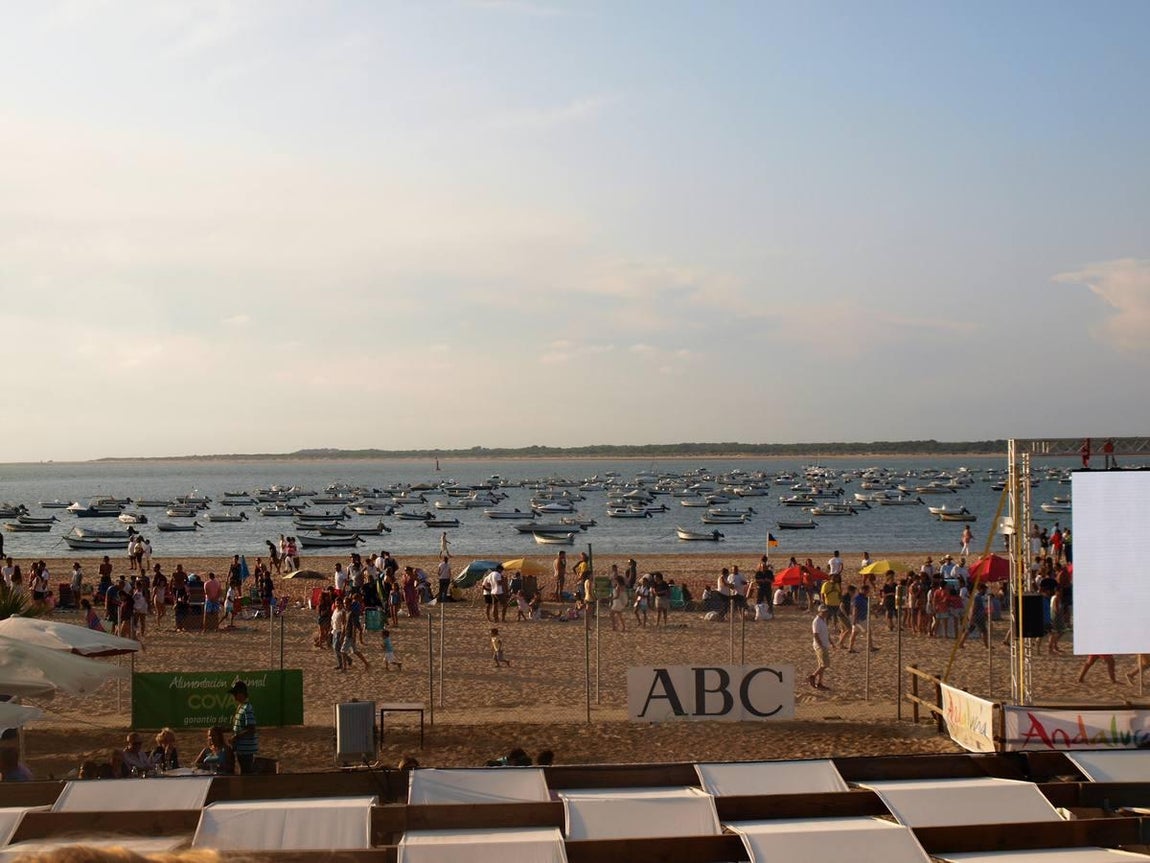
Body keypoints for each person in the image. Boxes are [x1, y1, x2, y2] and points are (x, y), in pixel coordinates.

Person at [228, 680, 259, 775]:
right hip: (241, 748)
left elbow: (251, 729)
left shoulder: (247, 708)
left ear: (241, 693)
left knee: (246, 773)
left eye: (235, 693)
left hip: (246, 749)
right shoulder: (241, 707)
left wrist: (236, 737)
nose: (234, 696)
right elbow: (240, 727)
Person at [809, 604, 831, 690]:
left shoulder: (823, 620)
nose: (826, 613)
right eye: (824, 612)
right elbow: (815, 634)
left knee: (822, 665)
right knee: (825, 664)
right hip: (820, 646)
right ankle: (813, 676)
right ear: (820, 612)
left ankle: (820, 683)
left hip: (824, 644)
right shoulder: (816, 621)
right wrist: (821, 645)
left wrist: (831, 642)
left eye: (826, 612)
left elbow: (826, 633)